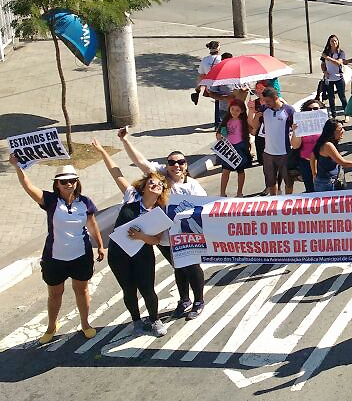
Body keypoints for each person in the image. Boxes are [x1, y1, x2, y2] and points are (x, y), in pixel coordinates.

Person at [115, 128, 208, 319]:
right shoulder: (162, 177)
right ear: (167, 165)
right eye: (172, 162)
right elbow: (141, 162)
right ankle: (184, 300)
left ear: (186, 165)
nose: (176, 166)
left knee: (191, 267)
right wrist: (125, 141)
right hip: (165, 237)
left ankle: (199, 301)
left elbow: (206, 209)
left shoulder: (193, 186)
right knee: (178, 267)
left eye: (181, 162)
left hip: (187, 236)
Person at [9, 157, 104, 343]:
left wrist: (100, 245)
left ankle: (85, 324)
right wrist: (17, 166)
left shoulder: (85, 202)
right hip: (55, 258)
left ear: (77, 182)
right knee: (54, 294)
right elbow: (28, 187)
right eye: (64, 181)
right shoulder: (50, 200)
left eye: (72, 180)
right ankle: (52, 326)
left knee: (81, 290)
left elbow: (92, 225)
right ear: (57, 184)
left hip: (81, 256)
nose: (69, 184)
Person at [93, 146, 170, 336]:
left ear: (161, 192)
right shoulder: (131, 196)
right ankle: (136, 321)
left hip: (142, 254)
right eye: (151, 183)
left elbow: (156, 240)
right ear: (143, 186)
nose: (155, 185)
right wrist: (103, 151)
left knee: (147, 289)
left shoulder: (160, 212)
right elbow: (116, 173)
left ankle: (155, 320)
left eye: (159, 185)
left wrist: (141, 237)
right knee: (128, 290)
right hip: (119, 254)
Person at [248, 86, 296, 195]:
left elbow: (297, 127)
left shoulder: (289, 110)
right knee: (271, 181)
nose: (266, 103)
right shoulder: (264, 109)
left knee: (288, 181)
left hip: (284, 153)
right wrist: (256, 116)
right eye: (264, 100)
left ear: (275, 97)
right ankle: (274, 200)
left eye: (268, 101)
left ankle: (288, 200)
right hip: (268, 153)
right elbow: (254, 126)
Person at [215, 98, 251, 197]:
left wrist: (251, 110)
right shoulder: (226, 120)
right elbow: (219, 132)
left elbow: (252, 130)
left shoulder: (243, 122)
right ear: (229, 109)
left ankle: (239, 192)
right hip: (228, 148)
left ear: (242, 111)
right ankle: (222, 192)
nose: (234, 112)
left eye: (237, 110)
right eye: (232, 109)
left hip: (240, 147)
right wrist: (219, 135)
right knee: (225, 170)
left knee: (240, 171)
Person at [320, 35, 350, 119]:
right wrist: (324, 71)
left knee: (342, 96)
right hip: (329, 78)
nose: (334, 43)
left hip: (339, 78)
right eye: (332, 41)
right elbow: (322, 64)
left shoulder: (340, 52)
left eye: (335, 41)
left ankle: (346, 114)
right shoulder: (326, 52)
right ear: (329, 42)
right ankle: (333, 115)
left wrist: (328, 58)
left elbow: (339, 63)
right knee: (331, 98)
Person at [191, 40, 221, 106]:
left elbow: (202, 75)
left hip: (210, 87)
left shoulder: (205, 60)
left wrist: (198, 88)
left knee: (217, 103)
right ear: (218, 49)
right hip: (223, 85)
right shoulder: (222, 59)